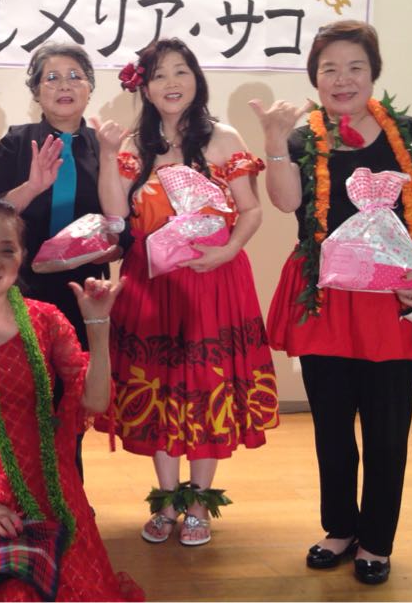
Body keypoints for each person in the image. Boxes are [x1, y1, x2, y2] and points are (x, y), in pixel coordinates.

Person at [250, 20, 412, 585]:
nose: (342, 80)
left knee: (388, 429)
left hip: (393, 297)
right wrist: (274, 141)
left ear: (374, 73)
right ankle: (340, 528)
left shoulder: (408, 132)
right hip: (326, 298)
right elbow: (287, 203)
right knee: (332, 426)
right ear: (315, 78)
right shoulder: (303, 138)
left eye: (354, 68)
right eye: (329, 70)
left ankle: (377, 541)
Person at [96, 38, 279, 547]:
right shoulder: (133, 145)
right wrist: (109, 155)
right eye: (159, 75)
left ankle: (199, 503)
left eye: (181, 71)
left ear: (197, 79)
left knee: (205, 385)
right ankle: (165, 498)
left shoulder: (222, 138)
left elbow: (251, 210)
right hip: (152, 282)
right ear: (145, 89)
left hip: (213, 279)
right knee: (158, 387)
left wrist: (228, 251)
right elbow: (115, 215)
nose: (171, 83)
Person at [0, 198, 143, 601]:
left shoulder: (46, 319)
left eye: (8, 250)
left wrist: (98, 323)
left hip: (56, 493)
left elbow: (96, 401)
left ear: (22, 257)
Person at [0, 42, 118, 352]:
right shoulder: (16, 141)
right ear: (36, 91)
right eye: (52, 78)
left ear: (89, 88)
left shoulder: (103, 146)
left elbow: (123, 221)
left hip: (86, 289)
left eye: (75, 76)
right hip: (21, 284)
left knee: (82, 372)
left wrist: (116, 248)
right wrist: (32, 187)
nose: (64, 86)